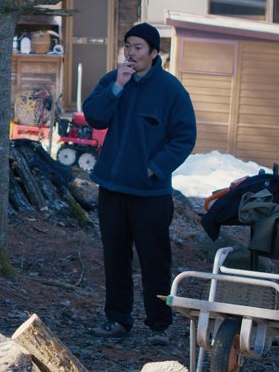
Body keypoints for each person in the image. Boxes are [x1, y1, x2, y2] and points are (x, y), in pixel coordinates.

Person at [84, 22, 196, 347]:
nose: (131, 53)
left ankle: (159, 325)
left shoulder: (171, 89)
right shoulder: (114, 80)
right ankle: (118, 319)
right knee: (115, 256)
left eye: (138, 47)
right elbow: (94, 117)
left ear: (153, 52)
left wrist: (155, 167)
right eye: (128, 46)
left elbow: (184, 136)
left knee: (154, 259)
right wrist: (117, 86)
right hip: (113, 188)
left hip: (150, 193)